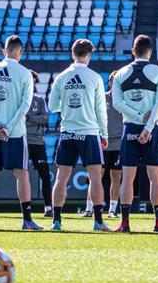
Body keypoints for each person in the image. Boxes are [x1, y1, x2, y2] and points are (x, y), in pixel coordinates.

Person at [0, 35, 41, 231]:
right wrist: (9, 126)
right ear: (20, 52)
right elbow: (25, 105)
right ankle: (27, 220)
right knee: (21, 174)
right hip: (15, 133)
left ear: (4, 50)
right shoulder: (24, 73)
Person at [110, 35, 158, 233]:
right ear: (150, 51)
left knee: (127, 177)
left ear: (133, 51)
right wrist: (148, 127)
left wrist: (137, 117)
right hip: (152, 128)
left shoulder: (120, 74)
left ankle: (125, 223)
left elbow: (117, 104)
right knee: (156, 177)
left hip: (130, 128)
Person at [48, 39, 109, 232]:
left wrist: (67, 106)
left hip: (67, 132)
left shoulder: (62, 77)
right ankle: (98, 222)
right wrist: (104, 133)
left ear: (72, 53)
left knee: (61, 178)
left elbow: (52, 106)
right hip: (89, 132)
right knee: (96, 177)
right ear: (89, 55)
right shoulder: (94, 77)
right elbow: (101, 110)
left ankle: (56, 221)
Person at [24, 71, 53, 218]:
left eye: (34, 80)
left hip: (37, 141)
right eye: (31, 79)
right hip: (22, 141)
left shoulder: (39, 100)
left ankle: (48, 207)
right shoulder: (19, 99)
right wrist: (35, 119)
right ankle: (25, 208)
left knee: (45, 175)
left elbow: (46, 118)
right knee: (22, 175)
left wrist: (29, 117)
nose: (33, 82)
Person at [98, 72, 124, 219]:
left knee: (116, 176)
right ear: (109, 83)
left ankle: (113, 209)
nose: (115, 84)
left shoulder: (125, 99)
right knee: (97, 176)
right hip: (103, 142)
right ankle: (91, 208)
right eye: (113, 81)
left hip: (119, 144)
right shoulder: (102, 97)